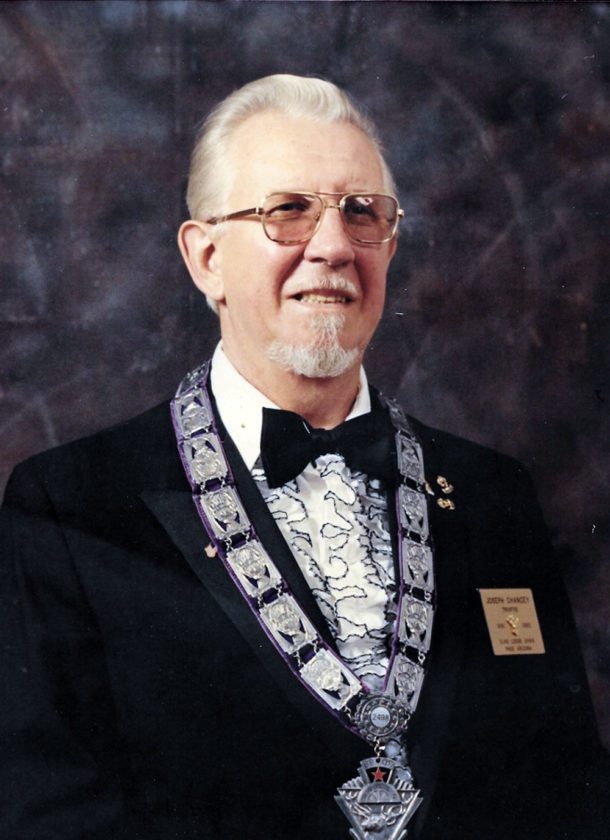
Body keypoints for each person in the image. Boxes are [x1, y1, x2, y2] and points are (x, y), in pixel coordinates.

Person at [1, 74, 607, 840]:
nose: (333, 246)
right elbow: (48, 816)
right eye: (287, 210)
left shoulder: (494, 494)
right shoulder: (70, 506)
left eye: (362, 213)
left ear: (390, 244)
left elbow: (567, 794)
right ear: (206, 258)